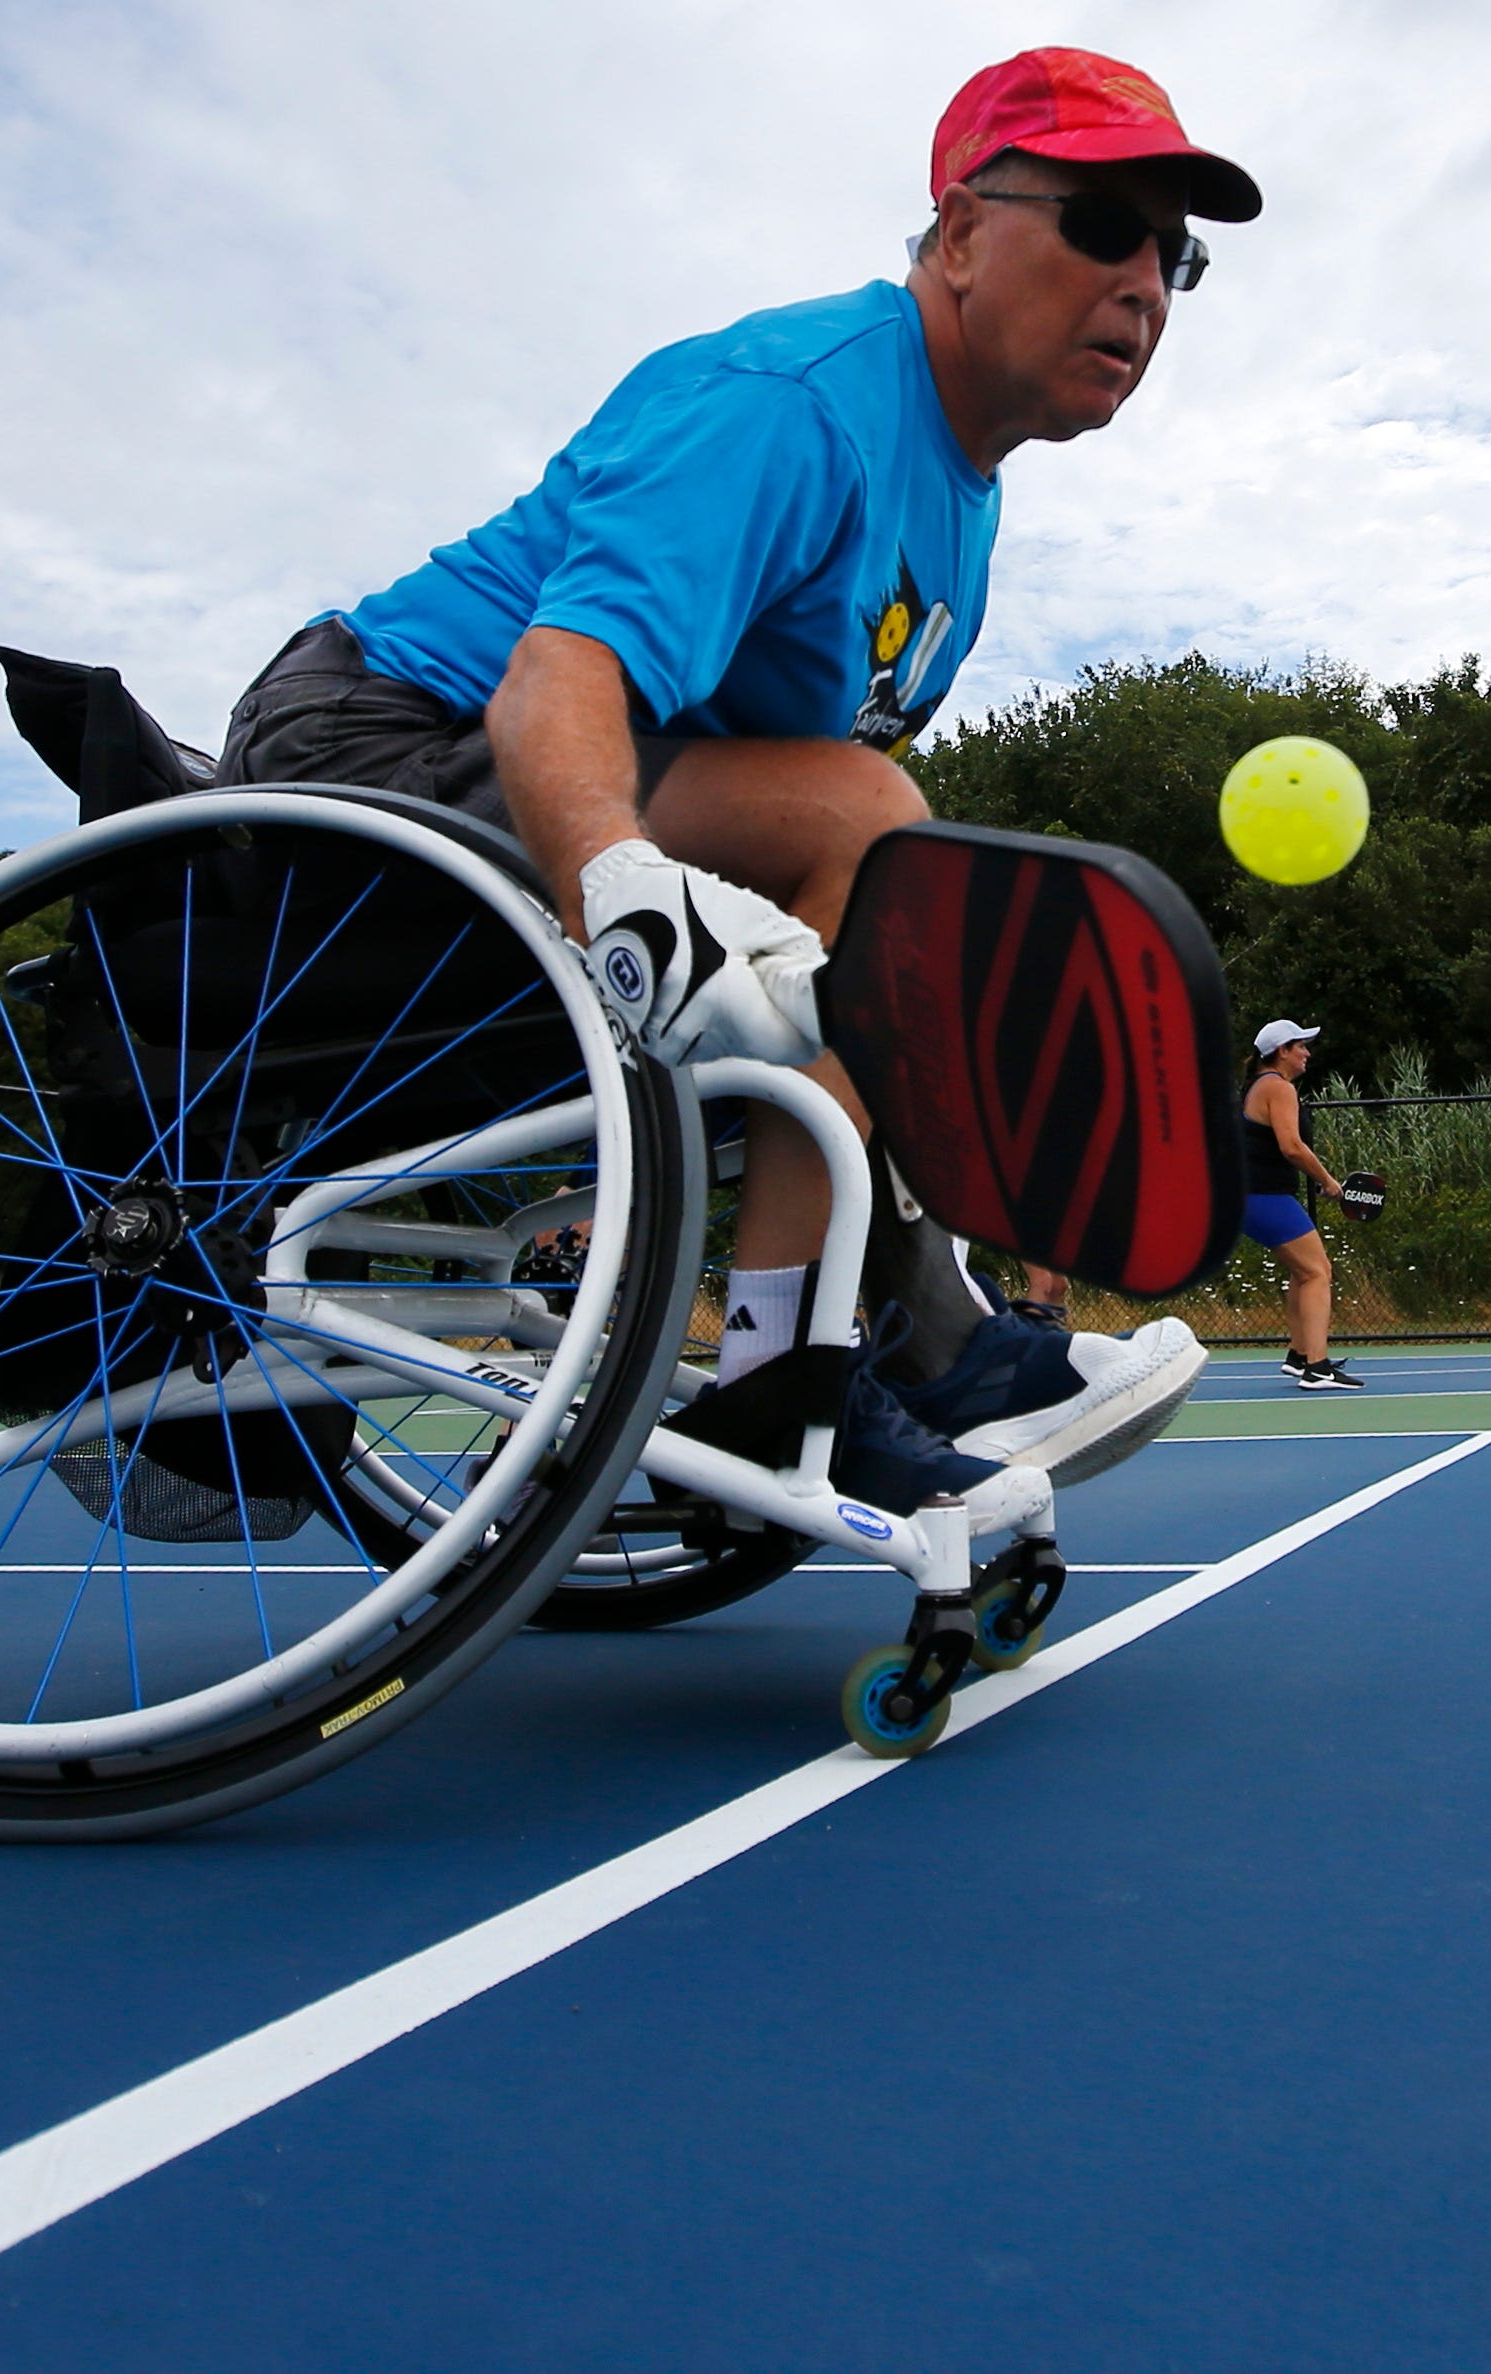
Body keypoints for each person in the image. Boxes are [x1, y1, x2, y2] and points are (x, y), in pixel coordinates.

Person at [201, 49, 1249, 1505]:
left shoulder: (962, 512)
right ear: (958, 234)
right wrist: (628, 890)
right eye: (1100, 224)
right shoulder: (795, 401)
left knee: (894, 883)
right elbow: (551, 685)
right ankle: (792, 1376)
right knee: (881, 837)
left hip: (581, 775)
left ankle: (852, 1345)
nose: (1142, 281)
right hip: (376, 739)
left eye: (1174, 256)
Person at [1241, 1019, 1364, 1389]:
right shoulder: (1277, 1088)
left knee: (1302, 1271)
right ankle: (1318, 1367)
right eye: (1301, 1046)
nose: (1307, 1054)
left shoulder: (1256, 1086)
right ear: (1282, 1052)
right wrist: (1327, 1181)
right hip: (1263, 1196)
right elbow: (1291, 1147)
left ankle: (1300, 1356)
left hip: (1251, 1196)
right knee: (1317, 1272)